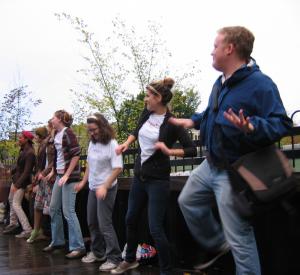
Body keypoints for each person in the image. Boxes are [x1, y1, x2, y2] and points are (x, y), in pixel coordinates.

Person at [170, 26, 293, 275]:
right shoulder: (220, 83)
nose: (211, 51)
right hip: (210, 164)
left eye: (215, 46)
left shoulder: (260, 84)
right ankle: (218, 244)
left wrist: (251, 126)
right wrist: (193, 121)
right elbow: (211, 113)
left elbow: (281, 123)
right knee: (187, 200)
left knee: (241, 236)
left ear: (230, 48)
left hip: (233, 171)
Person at [112, 78, 197, 275]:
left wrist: (168, 151)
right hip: (140, 177)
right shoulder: (147, 113)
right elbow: (137, 131)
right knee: (130, 219)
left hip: (158, 181)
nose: (145, 99)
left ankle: (166, 271)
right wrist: (126, 143)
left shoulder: (173, 123)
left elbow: (191, 149)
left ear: (158, 98)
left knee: (155, 228)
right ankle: (130, 259)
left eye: (149, 96)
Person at [74, 113, 123, 271]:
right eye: (89, 130)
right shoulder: (92, 143)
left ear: (102, 127)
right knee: (92, 222)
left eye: (94, 130)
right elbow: (89, 164)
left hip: (107, 188)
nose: (92, 133)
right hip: (93, 187)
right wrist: (83, 182)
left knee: (105, 224)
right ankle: (98, 252)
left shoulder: (112, 144)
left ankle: (114, 258)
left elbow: (118, 168)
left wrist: (105, 186)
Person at [43, 110, 86, 259]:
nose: (52, 119)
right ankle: (58, 241)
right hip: (60, 176)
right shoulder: (57, 134)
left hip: (70, 178)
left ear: (60, 119)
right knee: (54, 208)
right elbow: (58, 156)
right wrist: (54, 171)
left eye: (54, 117)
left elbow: (76, 155)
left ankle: (78, 246)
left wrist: (67, 174)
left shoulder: (69, 133)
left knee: (69, 211)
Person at [3, 131, 35, 238]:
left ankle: (27, 229)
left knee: (16, 204)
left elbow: (27, 172)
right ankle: (13, 223)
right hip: (16, 180)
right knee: (11, 200)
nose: (19, 139)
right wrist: (11, 172)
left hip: (21, 183)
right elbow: (19, 166)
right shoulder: (23, 150)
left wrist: (17, 185)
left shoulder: (30, 153)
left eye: (21, 138)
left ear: (26, 139)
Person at [27, 124, 55, 243]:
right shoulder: (42, 146)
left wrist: (42, 174)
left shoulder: (50, 144)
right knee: (38, 205)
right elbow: (40, 164)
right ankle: (37, 230)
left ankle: (49, 233)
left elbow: (51, 163)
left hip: (48, 179)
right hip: (42, 178)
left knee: (50, 207)